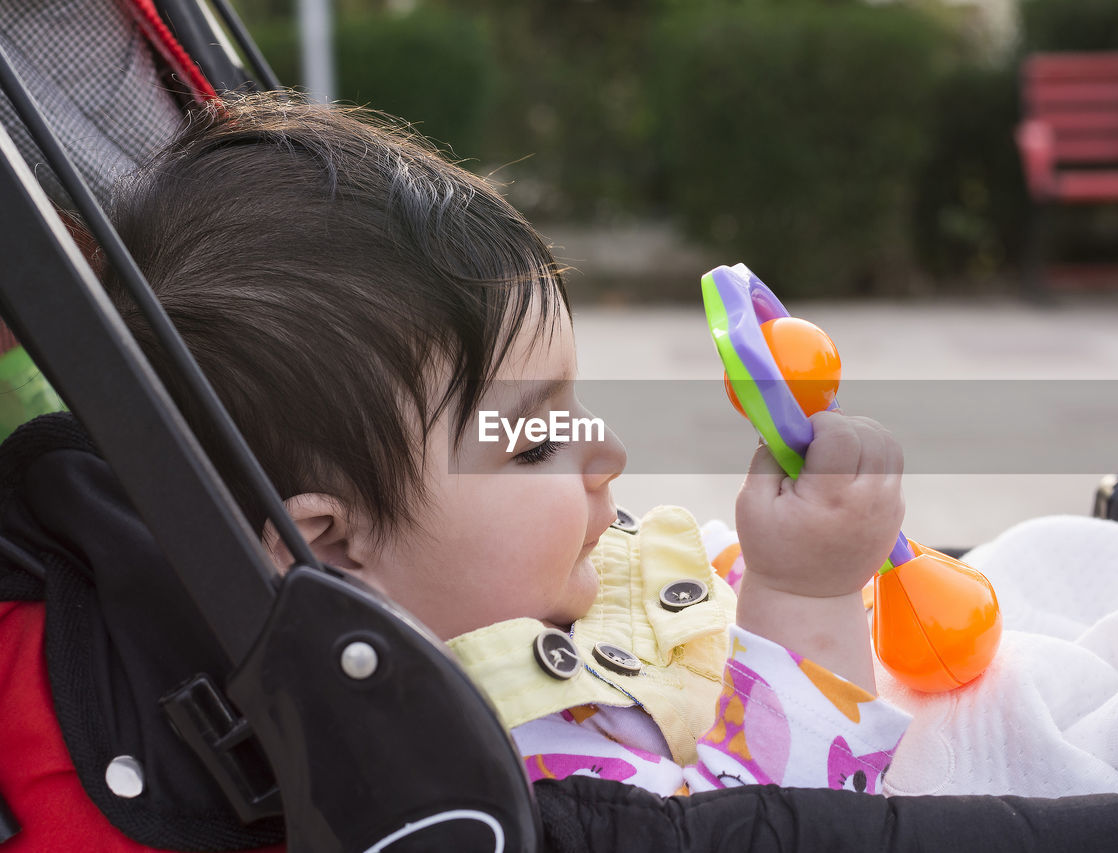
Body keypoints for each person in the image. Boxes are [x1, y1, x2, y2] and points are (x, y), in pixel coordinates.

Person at [98, 92, 911, 797]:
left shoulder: (536, 581)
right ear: (335, 549)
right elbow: (768, 830)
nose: (608, 450)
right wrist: (806, 592)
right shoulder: (502, 751)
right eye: (532, 444)